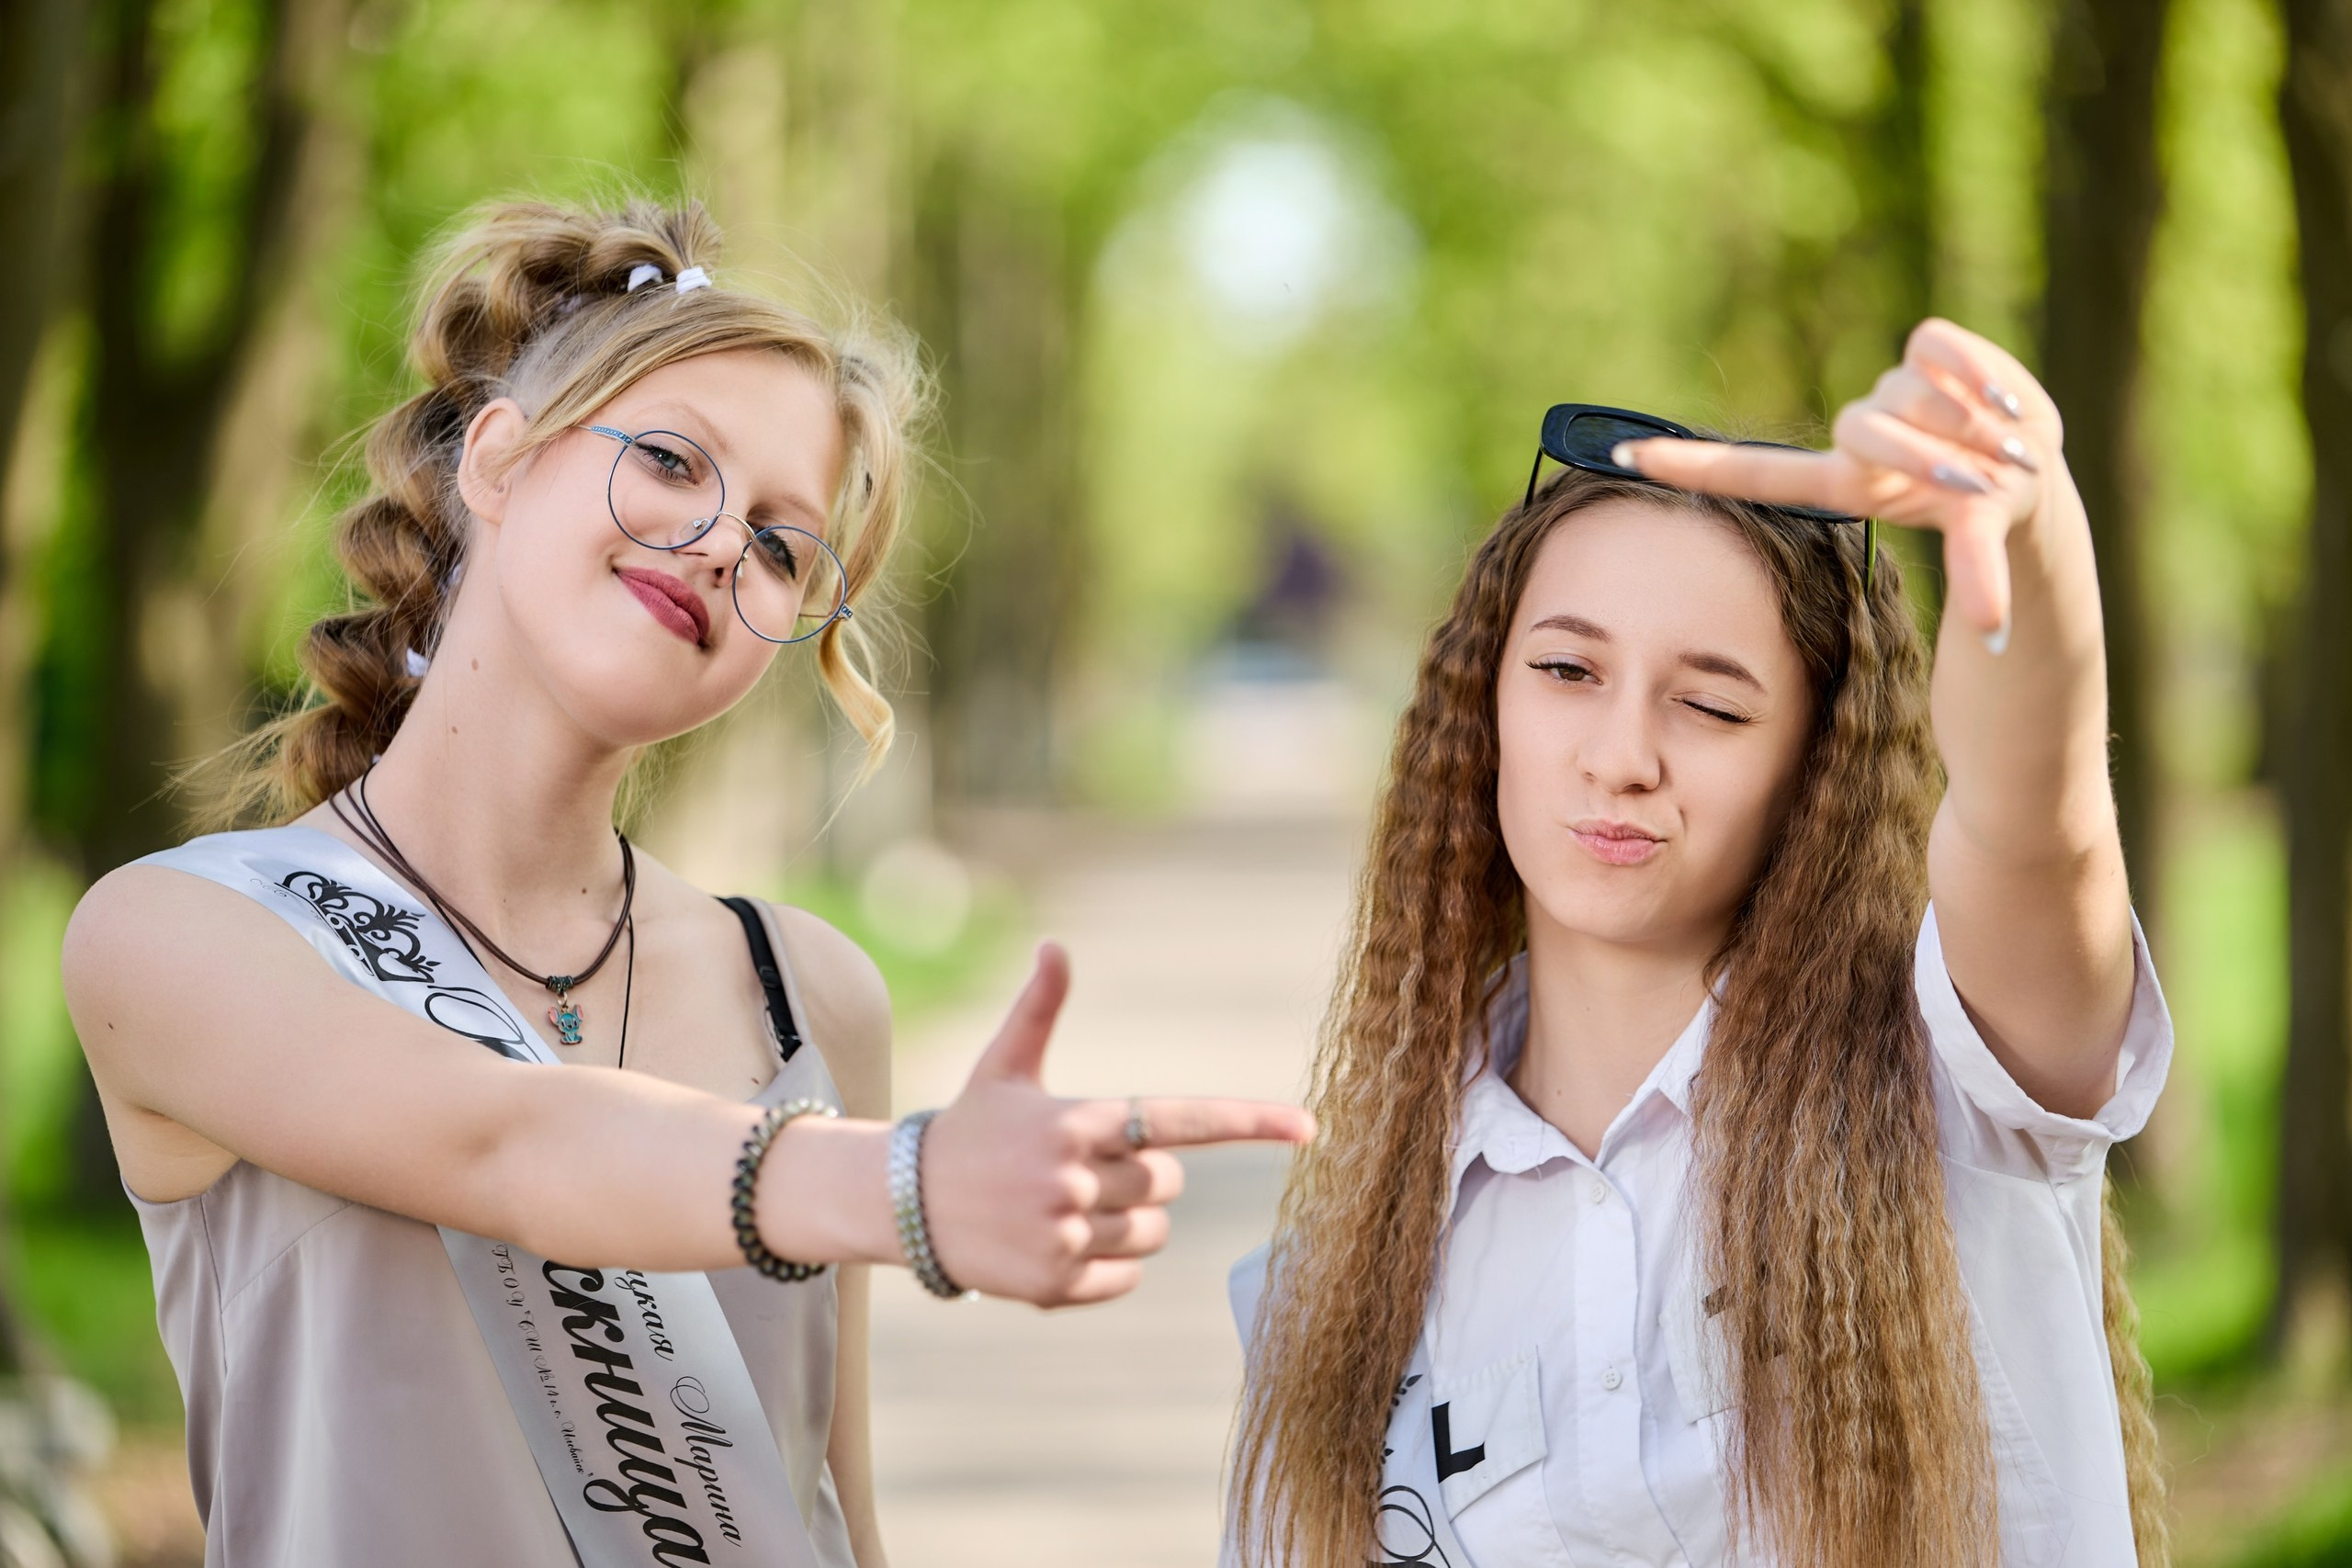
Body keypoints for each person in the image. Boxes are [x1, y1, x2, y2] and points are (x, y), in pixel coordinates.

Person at [60, 197, 1313, 1568]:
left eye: (783, 545)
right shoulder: (183, 934)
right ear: (499, 459)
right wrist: (902, 1185)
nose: (724, 545)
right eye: (672, 462)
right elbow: (505, 1143)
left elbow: (832, 1509)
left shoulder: (809, 993)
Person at [1225, 320, 2168, 1568]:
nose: (1622, 757)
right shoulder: (1339, 1282)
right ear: (1484, 701)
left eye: (1712, 703)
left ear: (1815, 764)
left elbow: (2032, 823)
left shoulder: (1956, 1090)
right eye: (1567, 671)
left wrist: (2028, 515)